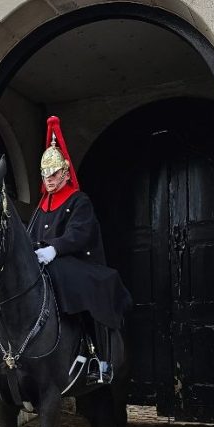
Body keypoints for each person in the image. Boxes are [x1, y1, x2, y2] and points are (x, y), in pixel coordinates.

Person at [27, 115, 132, 381]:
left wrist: (53, 249)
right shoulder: (42, 206)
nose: (49, 179)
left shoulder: (79, 200)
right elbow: (31, 235)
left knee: (80, 288)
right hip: (44, 262)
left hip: (76, 262)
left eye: (53, 174)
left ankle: (97, 356)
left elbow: (80, 234)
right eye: (45, 175)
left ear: (64, 172)